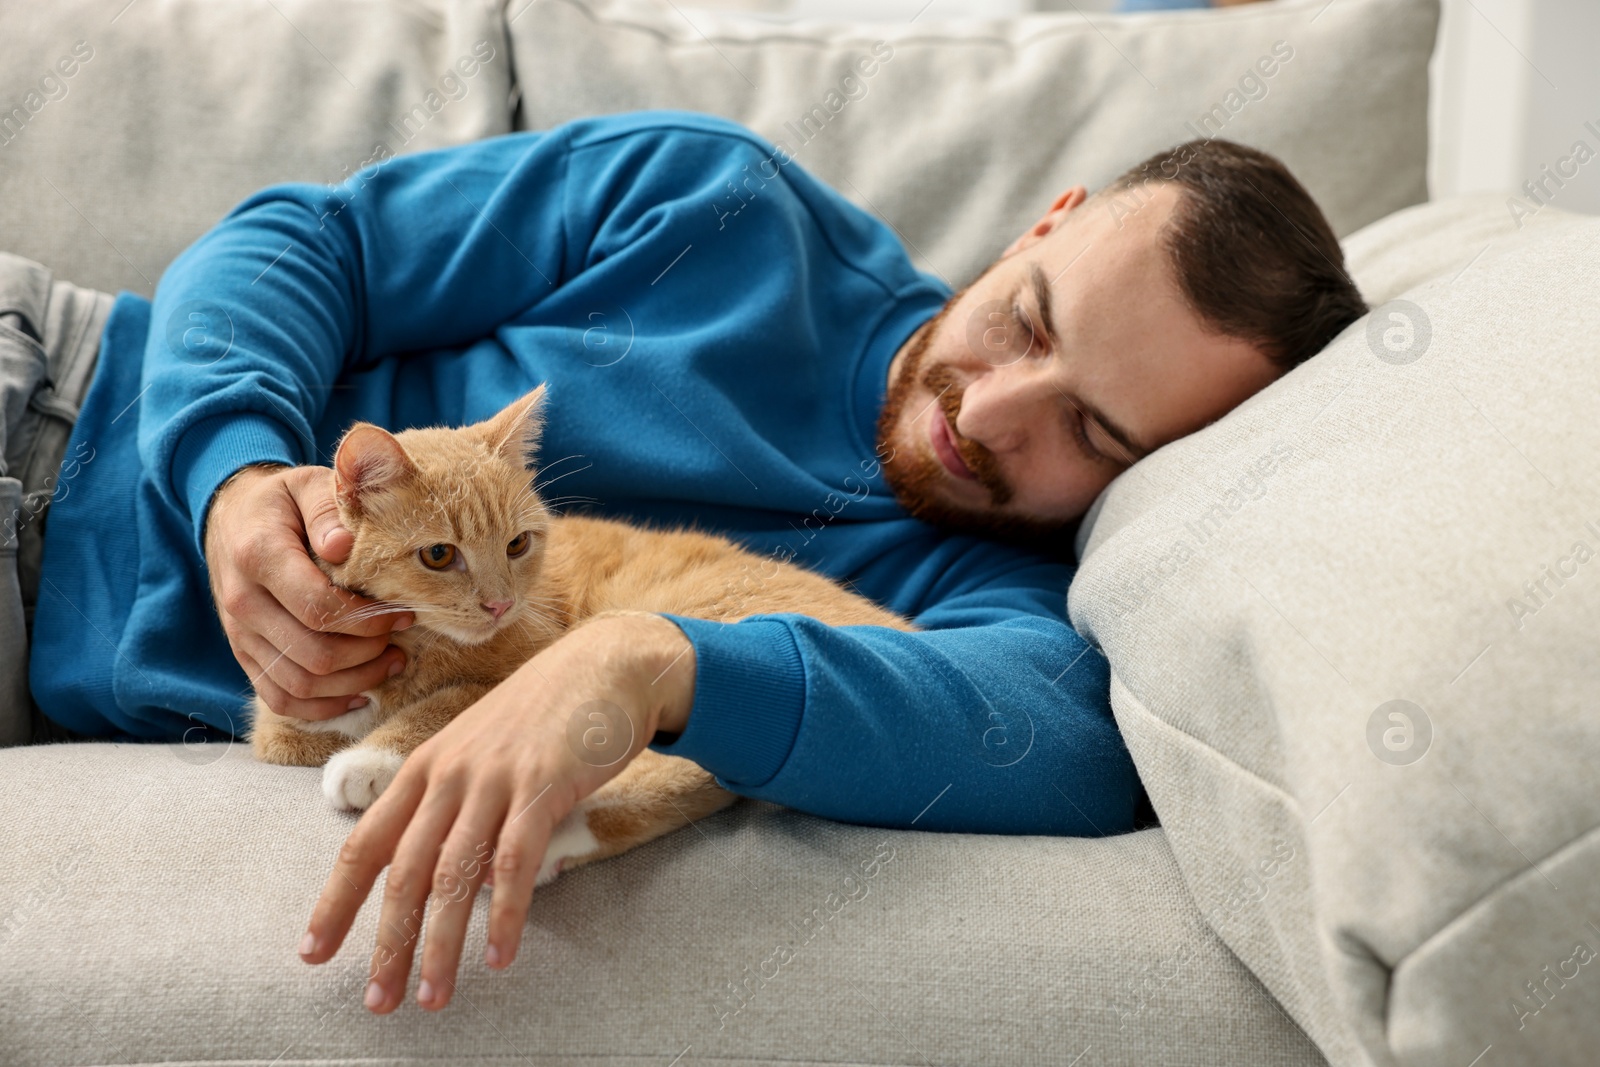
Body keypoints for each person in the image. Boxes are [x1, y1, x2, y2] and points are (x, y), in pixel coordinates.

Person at [5, 109, 1365, 1012]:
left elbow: (1063, 747)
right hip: (58, 396)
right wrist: (232, 480)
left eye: (1095, 428)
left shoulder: (988, 585)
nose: (989, 415)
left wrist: (649, 660)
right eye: (1028, 322)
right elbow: (308, 242)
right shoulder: (718, 202)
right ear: (1042, 226)